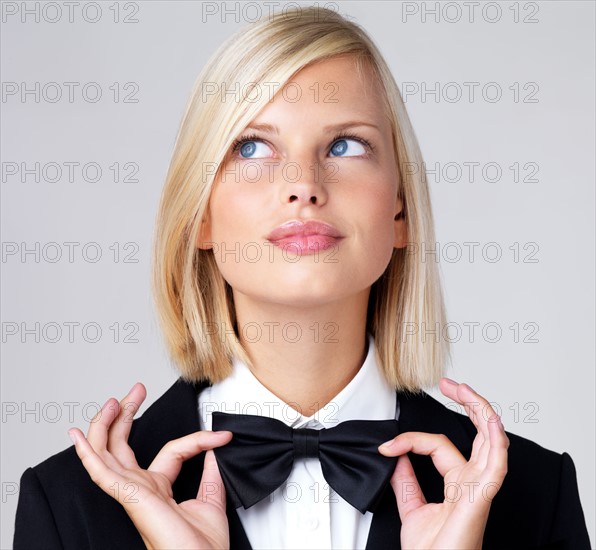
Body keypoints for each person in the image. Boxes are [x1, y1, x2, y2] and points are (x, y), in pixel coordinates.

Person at [13, 6, 590, 549]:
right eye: (253, 146)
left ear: (400, 212)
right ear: (201, 216)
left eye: (345, 145)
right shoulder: (69, 506)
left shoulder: (534, 494)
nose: (304, 184)